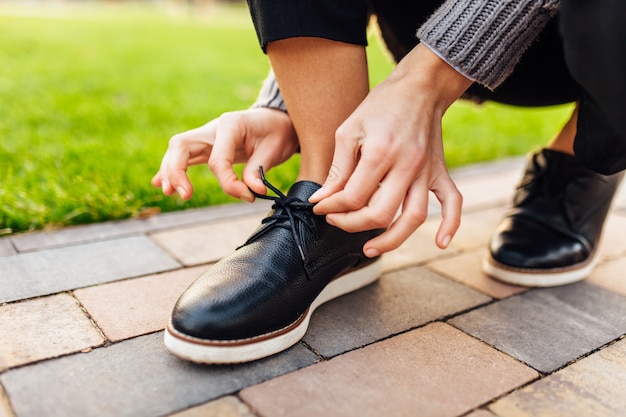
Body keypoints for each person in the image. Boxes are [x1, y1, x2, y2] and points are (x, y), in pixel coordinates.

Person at [152, 0, 626, 364]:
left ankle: (578, 158)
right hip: (426, 17)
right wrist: (285, 104)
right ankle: (334, 206)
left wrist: (428, 80)